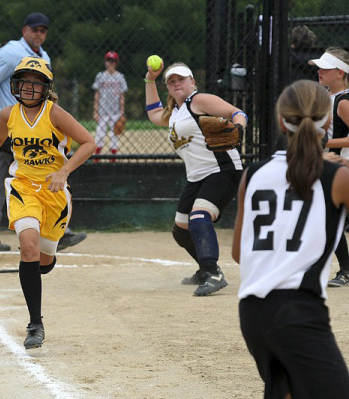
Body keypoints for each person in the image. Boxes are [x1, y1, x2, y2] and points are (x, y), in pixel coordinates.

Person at [0, 57, 96, 349]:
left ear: (46, 87)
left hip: (54, 193)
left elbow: (89, 143)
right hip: (21, 187)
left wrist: (64, 170)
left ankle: (44, 262)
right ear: (16, 85)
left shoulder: (55, 114)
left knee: (43, 260)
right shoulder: (8, 114)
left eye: (36, 82)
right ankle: (35, 324)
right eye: (24, 82)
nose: (29, 88)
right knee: (27, 244)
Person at [232, 79, 349, 398]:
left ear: (282, 121)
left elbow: (239, 254)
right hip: (299, 311)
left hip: (252, 313)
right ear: (328, 123)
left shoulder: (253, 174)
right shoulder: (336, 176)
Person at [0, 12, 87, 252]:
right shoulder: (11, 52)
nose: (39, 34)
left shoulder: (42, 56)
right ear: (24, 31)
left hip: (36, 126)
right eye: (34, 29)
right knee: (5, 179)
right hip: (11, 123)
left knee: (38, 174)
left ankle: (54, 230)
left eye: (43, 30)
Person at [145, 61, 247, 296]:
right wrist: (150, 80)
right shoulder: (175, 114)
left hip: (222, 169)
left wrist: (239, 128)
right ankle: (205, 268)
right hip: (197, 177)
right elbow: (153, 113)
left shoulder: (198, 101)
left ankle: (214, 273)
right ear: (168, 88)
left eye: (181, 79)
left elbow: (237, 113)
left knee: (199, 217)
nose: (176, 83)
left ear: (192, 82)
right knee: (181, 230)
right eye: (171, 81)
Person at [309, 48, 349, 287]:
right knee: (327, 218)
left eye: (325, 68)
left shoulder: (343, 101)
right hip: (331, 167)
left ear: (340, 72)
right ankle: (345, 269)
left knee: (330, 218)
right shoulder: (327, 97)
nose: (320, 72)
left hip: (342, 166)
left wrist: (325, 142)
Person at [92, 51, 128, 162]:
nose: (111, 63)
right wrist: (95, 111)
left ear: (116, 63)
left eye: (113, 61)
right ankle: (96, 159)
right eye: (109, 60)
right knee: (100, 135)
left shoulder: (120, 77)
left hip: (115, 112)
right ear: (105, 62)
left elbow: (122, 96)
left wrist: (122, 112)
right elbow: (97, 94)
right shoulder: (100, 76)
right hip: (102, 111)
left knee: (114, 136)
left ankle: (113, 160)